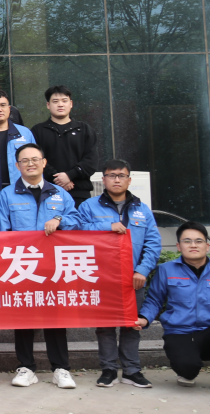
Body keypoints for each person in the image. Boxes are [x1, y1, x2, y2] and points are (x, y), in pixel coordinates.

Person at [0, 144, 79, 390]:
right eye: (24, 160)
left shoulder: (60, 194)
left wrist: (59, 219)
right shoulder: (7, 195)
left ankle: (61, 368)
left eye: (35, 159)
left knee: (55, 318)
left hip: (54, 265)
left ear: (44, 163)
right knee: (23, 318)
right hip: (21, 265)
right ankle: (26, 367)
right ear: (17, 165)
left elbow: (77, 219)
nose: (30, 164)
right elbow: (0, 229)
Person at [78, 159, 160, 388]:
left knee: (131, 325)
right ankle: (108, 370)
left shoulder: (142, 209)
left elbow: (153, 243)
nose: (116, 179)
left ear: (129, 180)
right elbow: (77, 232)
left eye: (121, 175)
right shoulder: (89, 206)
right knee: (105, 327)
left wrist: (142, 270)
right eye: (111, 175)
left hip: (133, 279)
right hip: (101, 277)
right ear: (103, 180)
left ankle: (132, 371)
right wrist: (106, 227)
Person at [135, 221, 210, 388]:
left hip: (208, 329)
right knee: (187, 368)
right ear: (178, 246)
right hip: (180, 331)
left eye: (198, 241)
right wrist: (144, 318)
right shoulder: (166, 270)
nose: (193, 245)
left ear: (207, 246)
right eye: (187, 241)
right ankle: (187, 367)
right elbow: (154, 299)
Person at [33, 86, 99, 207]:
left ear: (71, 104)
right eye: (55, 101)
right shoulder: (38, 131)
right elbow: (36, 159)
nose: (60, 105)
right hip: (47, 192)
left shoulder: (84, 129)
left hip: (80, 194)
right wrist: (58, 179)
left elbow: (91, 160)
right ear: (48, 105)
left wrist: (70, 175)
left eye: (64, 101)